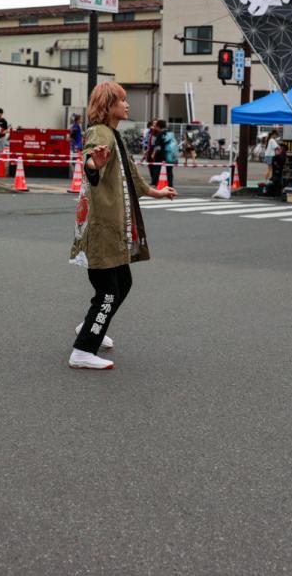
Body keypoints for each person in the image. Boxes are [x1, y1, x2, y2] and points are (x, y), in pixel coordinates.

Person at [67, 82, 176, 370]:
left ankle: (89, 328)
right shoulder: (99, 132)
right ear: (108, 104)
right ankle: (82, 351)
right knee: (109, 291)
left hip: (113, 226)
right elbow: (90, 162)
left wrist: (157, 192)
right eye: (123, 100)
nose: (127, 105)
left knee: (122, 283)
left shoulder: (114, 134)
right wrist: (93, 164)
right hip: (101, 227)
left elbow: (131, 175)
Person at [147, 119, 178, 188]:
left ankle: (156, 183)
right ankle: (170, 185)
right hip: (170, 155)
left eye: (156, 126)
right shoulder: (170, 133)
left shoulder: (160, 134)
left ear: (158, 126)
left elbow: (158, 147)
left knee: (157, 169)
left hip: (161, 155)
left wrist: (153, 154)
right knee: (169, 170)